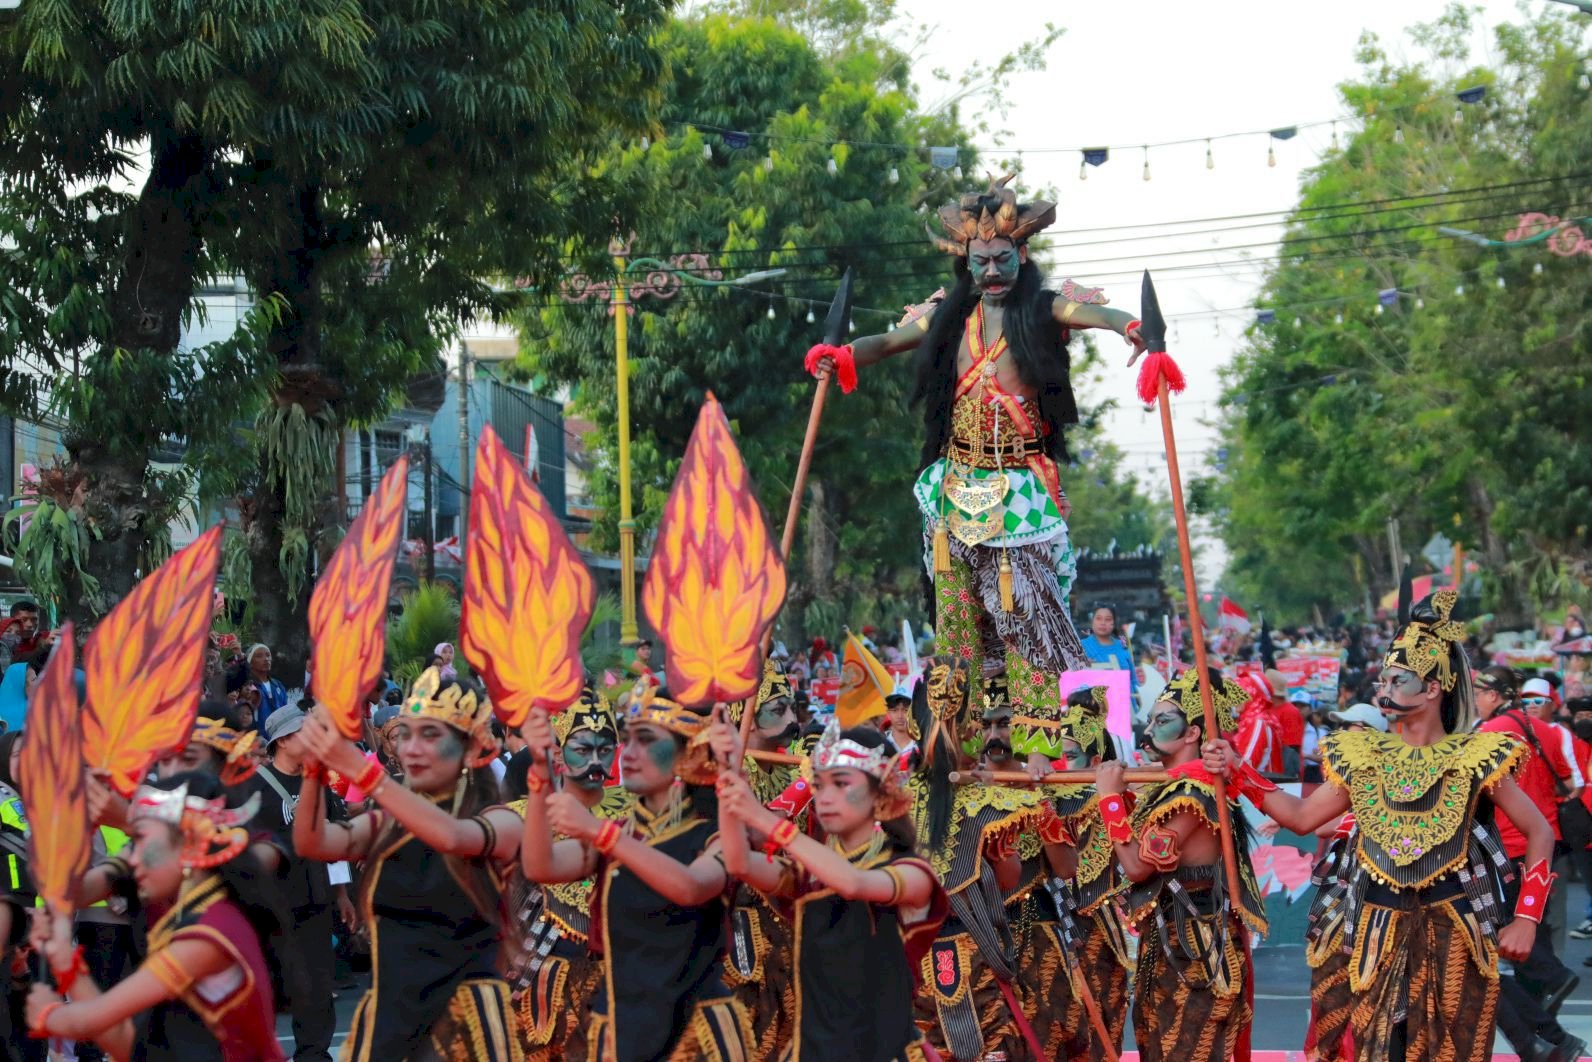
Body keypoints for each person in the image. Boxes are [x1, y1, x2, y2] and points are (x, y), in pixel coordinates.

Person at [804, 176, 1146, 732]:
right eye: (980, 260)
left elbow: (1099, 318)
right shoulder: (946, 317)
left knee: (1025, 613)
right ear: (965, 258)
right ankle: (960, 732)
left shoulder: (1041, 310)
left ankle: (1041, 743)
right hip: (954, 485)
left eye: (1001, 259)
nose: (990, 272)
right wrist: (837, 355)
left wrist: (1132, 327)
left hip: (1020, 490)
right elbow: (886, 343)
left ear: (1021, 254)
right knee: (957, 615)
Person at [1204, 592, 1556, 1062]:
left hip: (1453, 929)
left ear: (1432, 689)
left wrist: (1527, 918)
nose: (1383, 688)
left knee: (1455, 1052)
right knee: (1377, 1051)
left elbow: (1541, 833)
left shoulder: (1477, 757)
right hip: (1374, 931)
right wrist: (1238, 771)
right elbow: (1302, 817)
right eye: (1383, 678)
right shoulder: (1361, 755)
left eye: (1398, 678)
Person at [293, 667, 524, 1060]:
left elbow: (451, 837)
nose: (411, 749)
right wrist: (315, 767)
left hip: (463, 1022)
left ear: (471, 749)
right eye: (407, 733)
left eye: (430, 735)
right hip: (388, 1016)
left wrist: (363, 772)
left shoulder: (502, 820)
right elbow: (313, 842)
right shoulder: (388, 820)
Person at [519, 686, 750, 1061]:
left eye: (646, 740)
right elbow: (540, 866)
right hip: (619, 1025)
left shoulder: (719, 836)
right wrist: (540, 774)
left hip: (694, 1033)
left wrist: (599, 833)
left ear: (687, 752)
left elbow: (691, 887)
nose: (628, 753)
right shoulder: (621, 834)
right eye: (626, 739)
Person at [714, 714, 948, 1062]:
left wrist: (766, 820)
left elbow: (853, 884)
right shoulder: (807, 873)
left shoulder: (912, 872)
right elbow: (739, 864)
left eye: (841, 783)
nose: (823, 797)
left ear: (881, 794)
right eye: (819, 785)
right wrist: (727, 779)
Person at [25, 772, 286, 1061]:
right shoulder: (197, 918)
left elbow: (90, 1021)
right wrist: (63, 956)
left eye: (139, 840)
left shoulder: (208, 936)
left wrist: (48, 1013)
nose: (132, 859)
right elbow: (127, 1045)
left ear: (189, 843)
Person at [1097, 666, 1264, 1062]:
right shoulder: (1173, 785)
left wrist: (1110, 801)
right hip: (1171, 940)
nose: (1151, 726)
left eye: (1164, 719)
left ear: (1192, 733)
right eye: (1151, 718)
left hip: (1194, 948)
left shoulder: (1193, 791)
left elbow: (1139, 867)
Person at [906, 656, 1051, 1061]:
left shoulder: (886, 796)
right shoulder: (990, 802)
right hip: (969, 950)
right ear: (969, 727)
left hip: (908, 957)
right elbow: (1007, 878)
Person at [503, 688, 628, 1062]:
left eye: (605, 749)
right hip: (543, 974)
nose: (595, 759)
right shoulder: (525, 813)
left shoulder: (632, 808)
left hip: (620, 974)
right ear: (558, 753)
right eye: (583, 748)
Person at [1472, 666, 1584, 1058]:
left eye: (1479, 690)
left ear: (1495, 694)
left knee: (1499, 942)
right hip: (1546, 842)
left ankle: (1553, 983)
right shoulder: (1554, 732)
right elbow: (1576, 783)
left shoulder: (1486, 734)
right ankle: (1547, 1031)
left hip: (1508, 845)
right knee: (1526, 934)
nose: (1474, 698)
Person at [1028, 685, 1132, 1061]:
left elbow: (1081, 875)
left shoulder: (1104, 800)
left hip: (1088, 929)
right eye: (1050, 757)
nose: (1054, 769)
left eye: (1066, 757)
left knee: (1097, 1028)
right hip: (1039, 929)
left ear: (1094, 761)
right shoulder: (1036, 795)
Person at [252, 705, 351, 1062]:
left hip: (316, 899)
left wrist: (342, 893)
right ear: (282, 740)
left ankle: (314, 1054)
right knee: (269, 985)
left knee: (317, 984)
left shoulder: (317, 782)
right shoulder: (254, 787)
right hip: (271, 905)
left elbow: (335, 838)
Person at [723, 659, 803, 1057]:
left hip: (796, 916)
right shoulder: (735, 772)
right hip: (747, 921)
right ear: (748, 719)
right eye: (778, 709)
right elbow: (755, 838)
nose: (791, 717)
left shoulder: (792, 769)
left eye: (792, 707)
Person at [1081, 605, 1138, 696]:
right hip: (1093, 704)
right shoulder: (1080, 647)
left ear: (1114, 623)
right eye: (1098, 618)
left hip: (1124, 704)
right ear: (1092, 621)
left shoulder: (1122, 647)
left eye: (1108, 619)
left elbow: (1133, 681)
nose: (1103, 623)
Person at [241, 644, 289, 732]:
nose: (266, 659)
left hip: (278, 736)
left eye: (268, 655)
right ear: (250, 662)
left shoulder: (278, 685)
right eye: (259, 656)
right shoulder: (246, 686)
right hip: (256, 739)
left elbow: (285, 712)